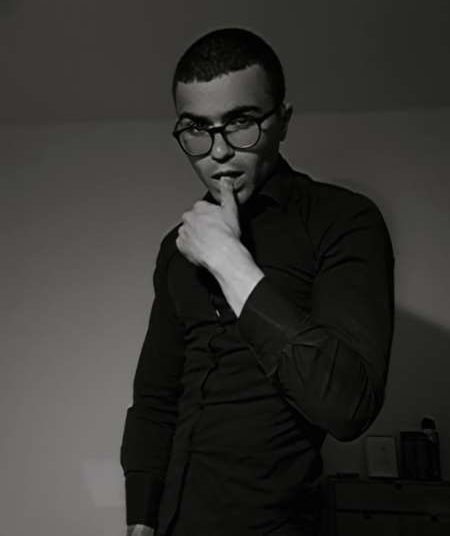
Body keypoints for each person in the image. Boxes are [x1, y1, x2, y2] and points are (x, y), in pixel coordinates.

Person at [120, 28, 395, 536]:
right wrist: (140, 518)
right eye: (196, 129)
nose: (219, 151)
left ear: (282, 121)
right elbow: (156, 398)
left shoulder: (343, 221)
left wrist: (229, 262)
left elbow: (348, 406)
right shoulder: (176, 249)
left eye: (241, 122)